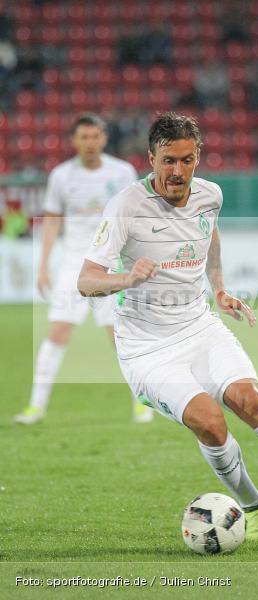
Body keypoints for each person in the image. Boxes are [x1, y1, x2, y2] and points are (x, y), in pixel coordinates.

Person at [78, 112, 258, 540]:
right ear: (151, 158)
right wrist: (126, 279)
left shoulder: (210, 196)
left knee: (253, 402)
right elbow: (86, 280)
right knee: (210, 421)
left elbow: (210, 237)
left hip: (201, 328)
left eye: (186, 160)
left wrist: (219, 288)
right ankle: (254, 509)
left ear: (198, 157)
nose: (178, 172)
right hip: (148, 350)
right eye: (168, 161)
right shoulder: (126, 207)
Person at [15, 113, 153, 425]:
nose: (90, 142)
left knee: (119, 336)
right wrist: (43, 267)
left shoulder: (122, 172)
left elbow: (134, 219)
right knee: (58, 331)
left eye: (95, 136)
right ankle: (36, 406)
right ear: (74, 140)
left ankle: (142, 402)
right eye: (84, 137)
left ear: (104, 138)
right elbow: (52, 222)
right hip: (72, 267)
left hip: (110, 266)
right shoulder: (61, 176)